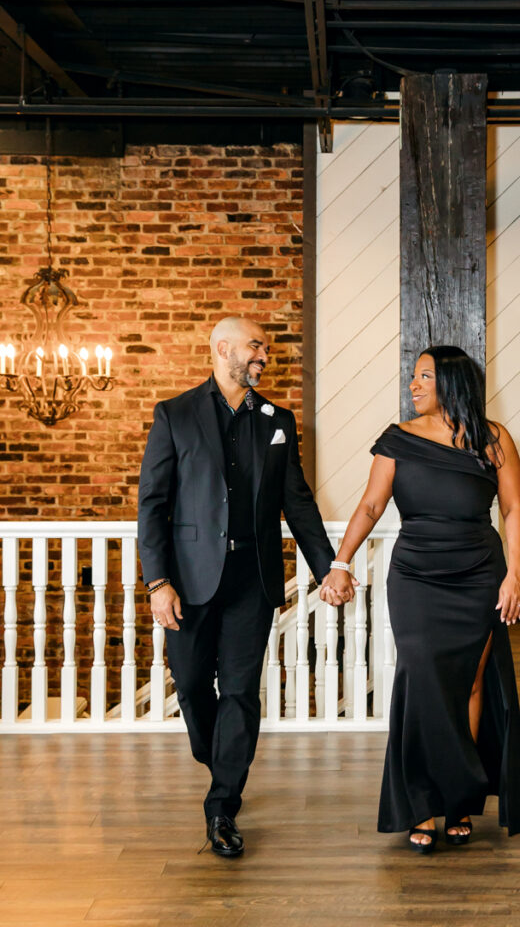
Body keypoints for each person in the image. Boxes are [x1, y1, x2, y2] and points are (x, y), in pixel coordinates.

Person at [137, 316, 345, 859]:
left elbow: (297, 501)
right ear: (222, 348)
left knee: (239, 692)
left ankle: (222, 805)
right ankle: (221, 760)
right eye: (256, 346)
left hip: (253, 579)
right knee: (190, 687)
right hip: (188, 581)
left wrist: (328, 568)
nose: (264, 356)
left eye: (266, 349)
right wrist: (158, 582)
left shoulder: (279, 420)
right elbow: (153, 505)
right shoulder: (174, 414)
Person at [322, 345, 520, 851]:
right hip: (416, 576)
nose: (414, 384)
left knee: (471, 684)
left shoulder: (493, 438)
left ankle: (459, 799)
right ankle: (420, 804)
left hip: (479, 575)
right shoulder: (397, 439)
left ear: (452, 382)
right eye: (414, 376)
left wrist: (515, 574)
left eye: (424, 376)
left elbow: (513, 509)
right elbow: (371, 505)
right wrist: (340, 563)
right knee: (420, 679)